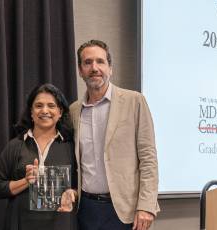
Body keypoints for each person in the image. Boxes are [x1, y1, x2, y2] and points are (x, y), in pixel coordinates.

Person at [69, 39, 160, 230]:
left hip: (124, 211)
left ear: (110, 68)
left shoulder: (134, 101)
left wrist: (146, 205)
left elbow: (148, 158)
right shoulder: (74, 111)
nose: (94, 67)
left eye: (100, 61)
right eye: (87, 62)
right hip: (86, 210)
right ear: (80, 70)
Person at [0, 83, 78, 230]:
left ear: (60, 112)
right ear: (31, 113)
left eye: (51, 105)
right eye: (38, 106)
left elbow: (81, 187)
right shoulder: (15, 146)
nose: (45, 110)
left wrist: (73, 194)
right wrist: (26, 181)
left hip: (61, 224)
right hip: (20, 223)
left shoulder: (72, 147)